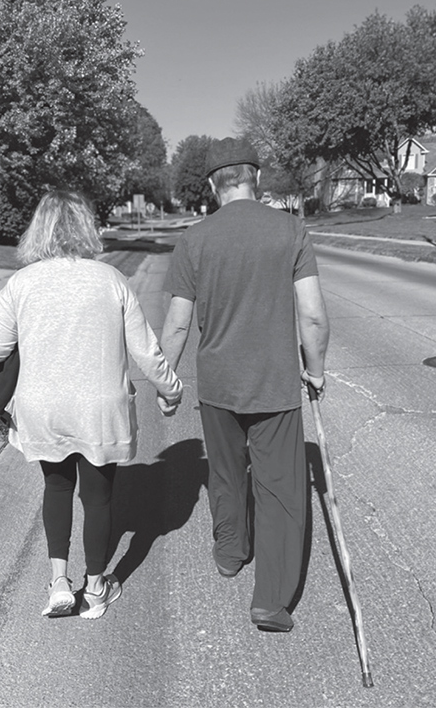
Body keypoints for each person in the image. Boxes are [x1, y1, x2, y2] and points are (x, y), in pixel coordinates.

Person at [0, 188, 182, 619]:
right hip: (98, 407)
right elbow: (145, 350)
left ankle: (58, 583)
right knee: (99, 496)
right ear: (87, 228)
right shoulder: (110, 280)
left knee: (56, 487)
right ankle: (94, 589)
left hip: (43, 407)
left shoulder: (21, 283)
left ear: (39, 230)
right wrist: (171, 389)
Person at [160, 137, 329, 633]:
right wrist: (315, 370)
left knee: (227, 474)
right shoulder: (291, 230)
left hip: (218, 385)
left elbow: (175, 325)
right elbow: (313, 317)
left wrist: (167, 382)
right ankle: (271, 602)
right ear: (256, 179)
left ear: (214, 184)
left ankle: (231, 551)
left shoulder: (195, 239)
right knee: (280, 492)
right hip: (274, 385)